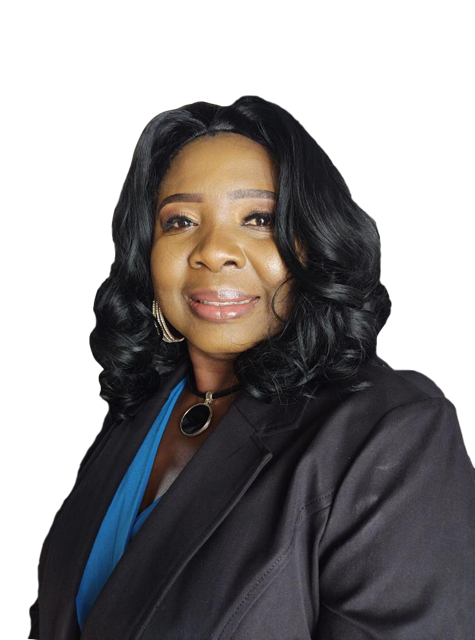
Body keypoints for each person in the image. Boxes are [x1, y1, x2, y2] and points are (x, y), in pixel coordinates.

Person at [28, 96, 475, 639]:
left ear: (314, 243)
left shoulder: (393, 431)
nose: (214, 251)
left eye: (259, 219)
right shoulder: (137, 407)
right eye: (180, 221)